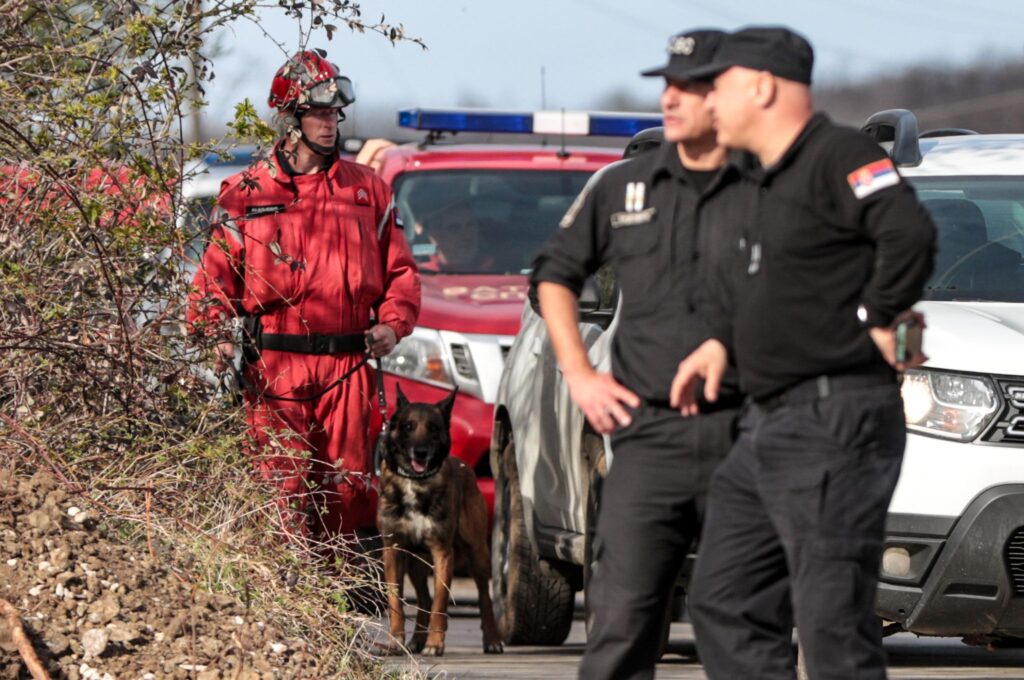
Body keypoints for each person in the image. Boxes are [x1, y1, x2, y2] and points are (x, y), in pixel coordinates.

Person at [668, 27, 936, 680]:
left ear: (761, 87)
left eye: (717, 86)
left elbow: (908, 232)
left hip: (835, 420)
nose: (707, 100)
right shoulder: (758, 182)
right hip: (765, 426)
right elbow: (779, 287)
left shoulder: (837, 155)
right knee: (725, 600)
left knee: (830, 627)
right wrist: (720, 343)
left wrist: (880, 315)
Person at [531, 29, 752, 680]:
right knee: (620, 619)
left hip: (746, 431)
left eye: (690, 85)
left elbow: (812, 292)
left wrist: (730, 343)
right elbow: (553, 275)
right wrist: (578, 372)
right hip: (647, 435)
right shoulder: (623, 187)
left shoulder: (768, 191)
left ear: (727, 95)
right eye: (667, 84)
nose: (671, 98)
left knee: (736, 619)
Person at [187, 51, 420, 542]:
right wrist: (214, 335)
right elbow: (212, 281)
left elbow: (400, 271)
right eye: (318, 113)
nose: (330, 124)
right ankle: (288, 610)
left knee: (350, 493)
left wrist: (392, 324)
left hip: (349, 369)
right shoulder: (243, 193)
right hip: (276, 370)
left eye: (335, 113)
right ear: (289, 118)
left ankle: (336, 610)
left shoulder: (368, 192)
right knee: (280, 493)